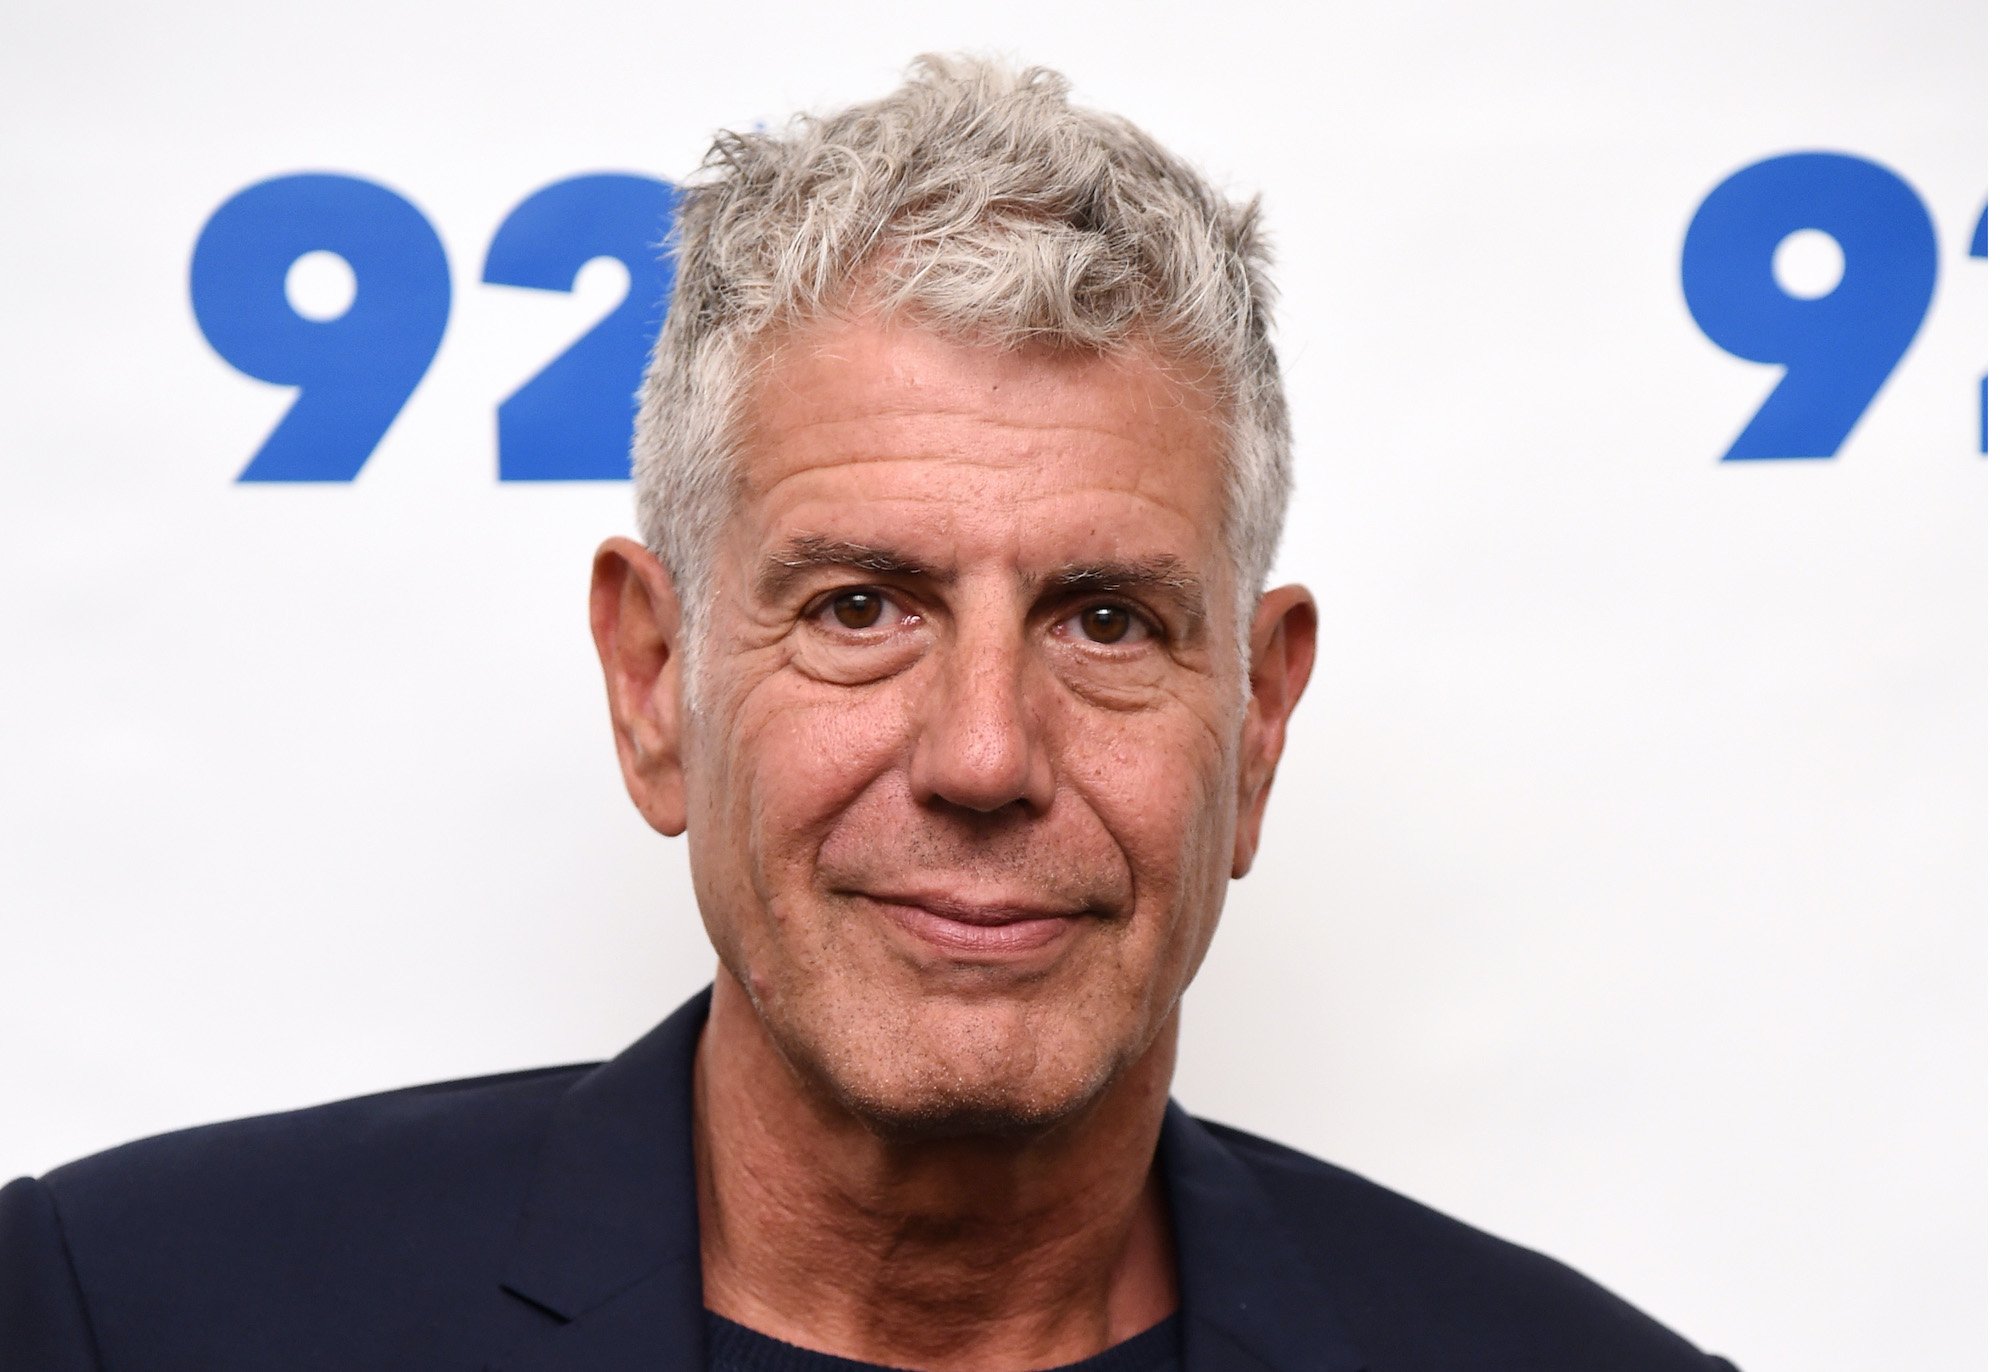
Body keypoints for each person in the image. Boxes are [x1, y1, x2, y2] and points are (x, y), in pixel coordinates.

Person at [0, 57, 1736, 1372]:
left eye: (1109, 621)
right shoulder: (122, 1314)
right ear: (654, 684)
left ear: (1259, 727)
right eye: (859, 609)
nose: (985, 754)